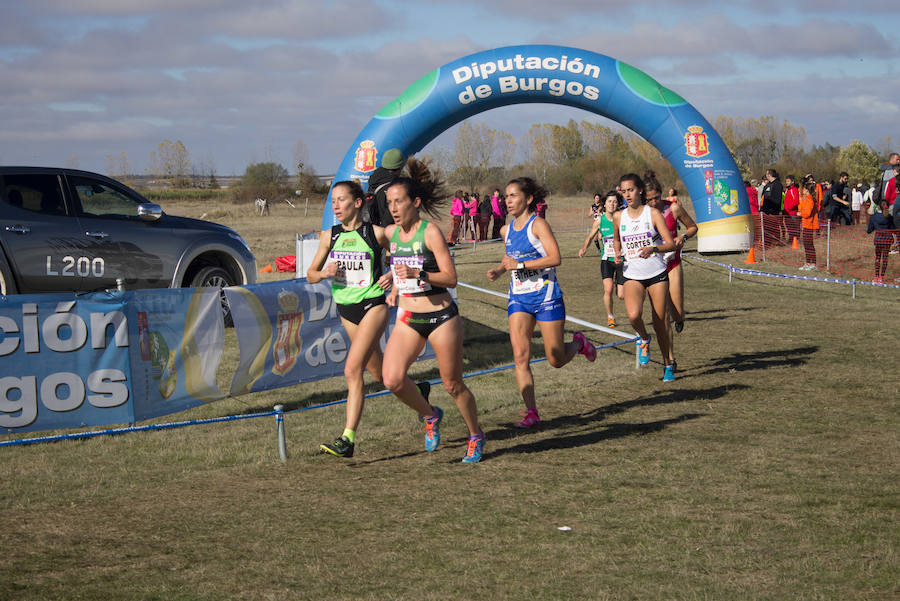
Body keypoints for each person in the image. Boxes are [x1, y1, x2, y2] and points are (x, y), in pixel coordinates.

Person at [381, 161, 485, 463]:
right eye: (389, 203)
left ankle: (475, 434)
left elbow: (451, 278)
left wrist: (418, 275)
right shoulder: (392, 234)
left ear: (415, 202)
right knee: (392, 380)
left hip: (441, 316)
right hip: (409, 317)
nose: (394, 208)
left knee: (452, 384)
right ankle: (430, 414)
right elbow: (398, 267)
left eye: (398, 201)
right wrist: (395, 288)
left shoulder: (430, 233)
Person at [487, 177, 596, 429]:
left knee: (555, 359)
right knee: (520, 356)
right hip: (519, 299)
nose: (508, 201)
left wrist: (521, 265)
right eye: (506, 196)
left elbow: (556, 257)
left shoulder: (538, 225)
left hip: (546, 297)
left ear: (528, 199)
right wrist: (500, 271)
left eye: (513, 196)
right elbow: (510, 258)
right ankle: (531, 412)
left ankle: (578, 343)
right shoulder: (506, 229)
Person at [307, 180, 394, 458]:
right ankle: (419, 393)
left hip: (373, 304)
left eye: (341, 200)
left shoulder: (375, 233)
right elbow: (310, 273)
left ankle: (348, 439)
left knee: (351, 369)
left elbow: (407, 249)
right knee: (380, 375)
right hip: (347, 308)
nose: (335, 206)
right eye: (333, 201)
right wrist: (324, 273)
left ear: (357, 203)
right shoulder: (329, 236)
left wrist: (392, 273)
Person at [612, 173, 677, 381]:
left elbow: (670, 244)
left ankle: (668, 365)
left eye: (630, 190)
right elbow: (615, 240)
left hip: (656, 272)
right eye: (623, 191)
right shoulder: (618, 216)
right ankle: (643, 338)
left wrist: (653, 248)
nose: (627, 194)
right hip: (632, 273)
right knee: (633, 315)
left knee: (660, 322)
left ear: (640, 190)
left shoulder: (652, 214)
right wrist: (616, 253)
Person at [645, 174, 697, 372]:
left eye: (656, 197)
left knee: (676, 310)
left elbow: (693, 227)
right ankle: (670, 359)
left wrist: (683, 236)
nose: (653, 202)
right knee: (662, 314)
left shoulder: (673, 208)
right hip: (654, 267)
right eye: (649, 199)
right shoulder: (643, 214)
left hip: (672, 263)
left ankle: (681, 318)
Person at [578, 189, 622, 327]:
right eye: (609, 201)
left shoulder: (623, 218)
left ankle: (618, 284)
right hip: (606, 260)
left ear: (618, 204)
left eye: (615, 201)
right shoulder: (599, 221)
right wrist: (584, 248)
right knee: (607, 290)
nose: (612, 204)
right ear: (605, 203)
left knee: (621, 295)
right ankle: (610, 317)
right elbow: (591, 236)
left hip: (621, 260)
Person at [364, 148, 405, 227]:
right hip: (389, 234)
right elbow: (390, 218)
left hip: (372, 231)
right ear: (399, 167)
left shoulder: (373, 183)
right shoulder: (395, 188)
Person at [867, 201, 894, 283]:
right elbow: (892, 228)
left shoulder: (874, 216)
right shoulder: (888, 216)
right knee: (885, 258)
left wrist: (871, 230)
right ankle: (882, 277)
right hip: (887, 239)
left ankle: (876, 276)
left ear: (878, 206)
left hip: (878, 239)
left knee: (878, 258)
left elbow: (869, 230)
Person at [798, 178, 820, 271]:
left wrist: (800, 213)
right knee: (806, 244)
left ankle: (813, 263)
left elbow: (807, 213)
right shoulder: (806, 199)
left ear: (807, 190)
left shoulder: (810, 200)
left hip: (809, 225)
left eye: (804, 189)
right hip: (805, 224)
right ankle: (807, 262)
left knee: (809, 244)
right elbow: (800, 206)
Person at [783, 174, 800, 245]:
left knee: (794, 227)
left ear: (792, 182)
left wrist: (789, 207)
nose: (787, 182)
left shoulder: (794, 190)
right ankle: (791, 239)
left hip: (792, 213)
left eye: (788, 181)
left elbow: (796, 201)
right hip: (786, 213)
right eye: (786, 181)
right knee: (788, 227)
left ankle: (795, 240)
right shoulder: (787, 190)